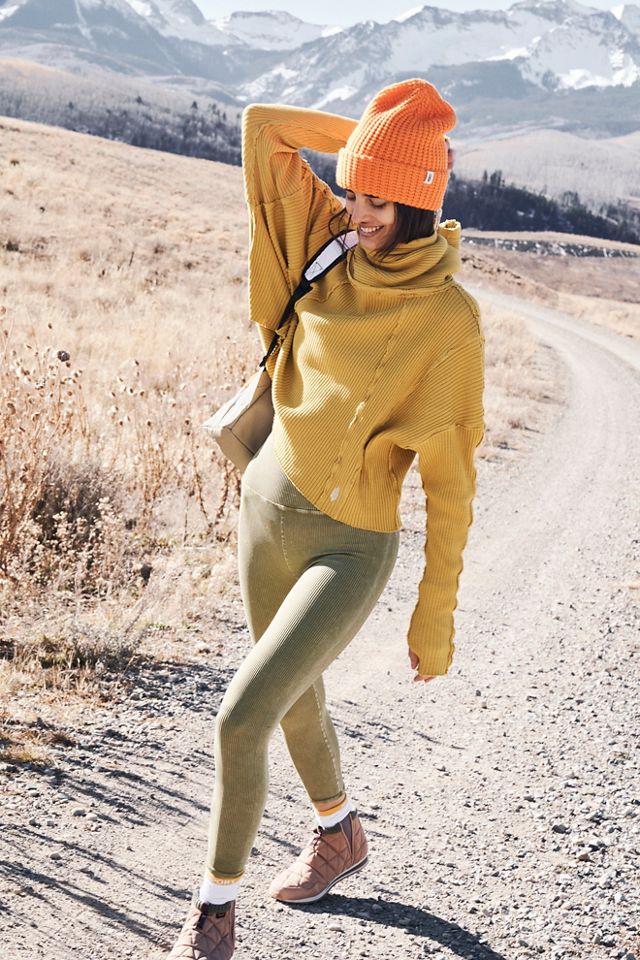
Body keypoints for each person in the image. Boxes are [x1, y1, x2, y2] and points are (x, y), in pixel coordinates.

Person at [167, 78, 485, 960]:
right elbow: (261, 125)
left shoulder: (449, 323)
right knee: (294, 702)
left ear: (421, 200)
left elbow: (451, 488)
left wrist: (435, 612)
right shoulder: (328, 243)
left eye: (383, 196)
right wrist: (382, 151)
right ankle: (339, 833)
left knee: (241, 718)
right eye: (354, 188)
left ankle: (213, 915)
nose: (360, 209)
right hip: (261, 513)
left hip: (348, 547)